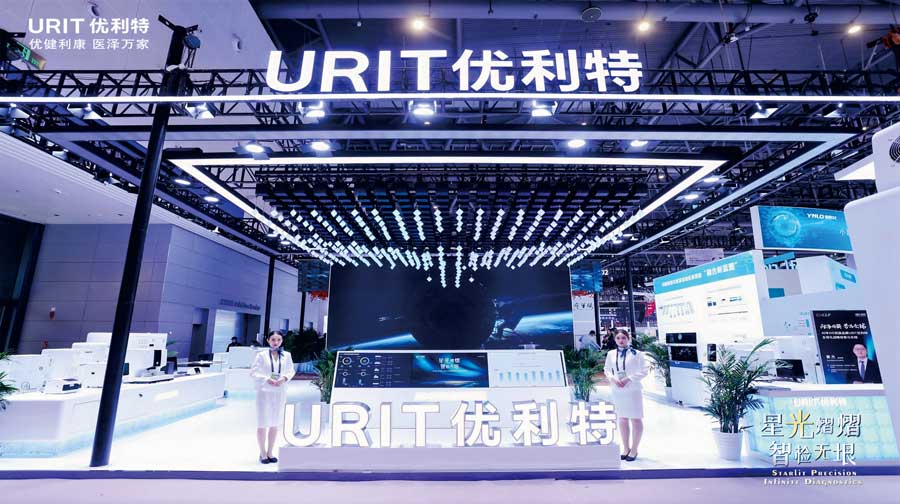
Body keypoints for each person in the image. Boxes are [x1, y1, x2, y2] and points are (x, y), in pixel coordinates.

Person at [251, 330, 296, 464]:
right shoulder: (261, 355)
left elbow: (291, 370)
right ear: (268, 340)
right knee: (262, 422)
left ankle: (270, 452)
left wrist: (284, 378)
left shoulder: (287, 355)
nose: (276, 342)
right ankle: (262, 453)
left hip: (279, 391)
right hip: (264, 392)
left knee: (275, 423)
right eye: (273, 340)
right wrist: (267, 379)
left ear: (282, 341)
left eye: (278, 340)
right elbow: (253, 372)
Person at [604, 329, 649, 462]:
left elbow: (644, 370)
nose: (621, 340)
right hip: (617, 389)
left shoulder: (637, 354)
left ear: (628, 338)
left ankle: (634, 449)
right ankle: (626, 448)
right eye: (618, 338)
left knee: (636, 418)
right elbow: (606, 369)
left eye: (623, 338)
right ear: (615, 340)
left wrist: (629, 379)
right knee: (622, 418)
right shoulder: (611, 354)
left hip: (633, 389)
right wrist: (613, 379)